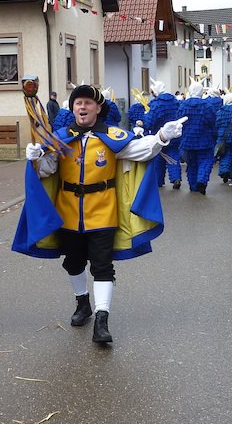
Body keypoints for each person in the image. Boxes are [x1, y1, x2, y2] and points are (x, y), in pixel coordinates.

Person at [12, 84, 186, 344]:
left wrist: (162, 136)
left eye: (88, 103)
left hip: (103, 210)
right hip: (68, 210)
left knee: (102, 266)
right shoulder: (60, 137)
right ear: (72, 108)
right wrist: (36, 157)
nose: (82, 107)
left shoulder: (113, 136)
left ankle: (102, 320)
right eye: (78, 103)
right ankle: (82, 303)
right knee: (73, 262)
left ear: (98, 108)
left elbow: (141, 150)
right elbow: (47, 170)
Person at [178, 79, 217, 194]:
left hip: (187, 141)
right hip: (205, 140)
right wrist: (214, 136)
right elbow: (212, 122)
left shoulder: (183, 105)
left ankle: (193, 185)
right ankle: (201, 180)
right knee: (205, 161)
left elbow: (179, 122)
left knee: (191, 164)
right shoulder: (207, 106)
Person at [145, 79, 182, 189]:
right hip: (174, 134)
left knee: (158, 158)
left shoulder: (156, 104)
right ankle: (176, 178)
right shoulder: (175, 101)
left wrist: (145, 119)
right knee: (173, 156)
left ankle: (158, 181)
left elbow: (150, 122)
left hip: (160, 135)